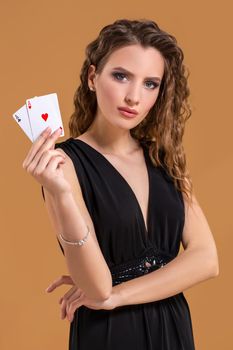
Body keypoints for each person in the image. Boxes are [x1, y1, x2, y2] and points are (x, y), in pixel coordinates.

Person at [22, 18, 219, 350]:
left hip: (172, 326)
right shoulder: (65, 164)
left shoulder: (163, 157)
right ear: (92, 77)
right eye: (121, 76)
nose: (133, 97)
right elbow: (97, 288)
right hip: (111, 333)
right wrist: (59, 193)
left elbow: (206, 259)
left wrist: (120, 294)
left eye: (150, 84)